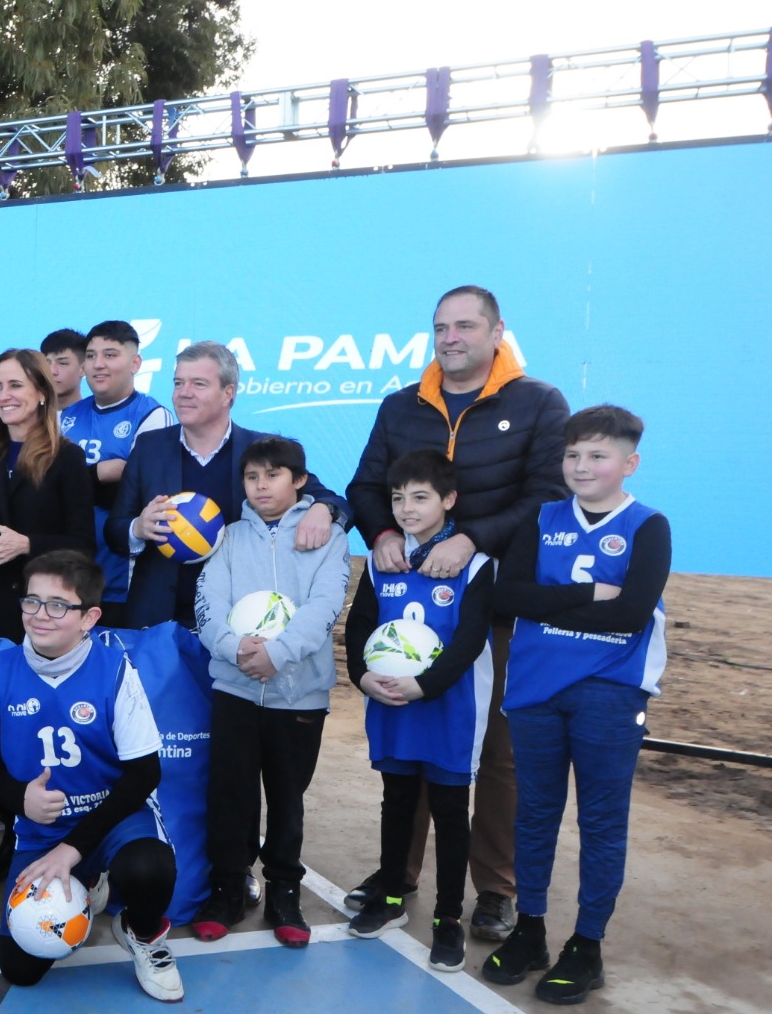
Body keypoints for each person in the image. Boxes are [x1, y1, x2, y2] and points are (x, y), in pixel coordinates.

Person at [345, 285, 569, 942]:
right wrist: (382, 531)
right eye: (441, 326)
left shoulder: (537, 402)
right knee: (410, 731)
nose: (451, 338)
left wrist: (473, 538)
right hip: (411, 604)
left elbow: (547, 494)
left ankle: (494, 889)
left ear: (498, 331)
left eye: (466, 326)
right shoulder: (401, 406)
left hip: (494, 599)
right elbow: (365, 484)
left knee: (492, 752)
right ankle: (399, 874)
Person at [484, 405, 669, 1005]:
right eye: (572, 455)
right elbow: (508, 596)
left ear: (629, 463)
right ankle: (531, 931)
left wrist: (549, 603)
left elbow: (632, 613)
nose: (582, 466)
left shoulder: (648, 525)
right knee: (535, 814)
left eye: (598, 455)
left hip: (610, 695)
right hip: (537, 689)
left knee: (600, 821)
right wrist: (589, 592)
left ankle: (586, 946)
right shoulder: (541, 519)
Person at [0, 550, 183, 1003]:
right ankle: (90, 879)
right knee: (20, 970)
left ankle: (142, 935)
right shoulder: (0, 671)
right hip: (43, 825)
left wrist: (73, 849)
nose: (41, 615)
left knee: (149, 869)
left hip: (116, 814)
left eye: (58, 605)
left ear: (90, 617)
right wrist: (18, 798)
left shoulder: (116, 669)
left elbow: (145, 773)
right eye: (32, 601)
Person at [193, 436, 350, 948]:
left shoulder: (328, 537)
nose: (261, 486)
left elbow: (325, 606)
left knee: (287, 797)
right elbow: (209, 602)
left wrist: (276, 655)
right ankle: (228, 889)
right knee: (230, 794)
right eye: (252, 477)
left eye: (273, 475)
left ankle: (285, 892)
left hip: (299, 696)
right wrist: (236, 649)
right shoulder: (227, 536)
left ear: (299, 480)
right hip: (234, 689)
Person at [342, 450, 495, 973]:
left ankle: (448, 918)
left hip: (447, 705)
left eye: (420, 497)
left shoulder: (473, 564)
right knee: (397, 799)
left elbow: (469, 642)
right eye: (397, 498)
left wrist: (423, 685)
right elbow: (360, 626)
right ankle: (390, 897)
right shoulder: (384, 559)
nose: (406, 509)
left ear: (449, 501)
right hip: (390, 700)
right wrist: (362, 677)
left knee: (451, 812)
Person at [108, 341, 350, 631]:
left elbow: (333, 499)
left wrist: (323, 509)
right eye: (178, 383)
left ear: (228, 393)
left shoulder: (260, 449)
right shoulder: (150, 447)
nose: (183, 393)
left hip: (240, 624)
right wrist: (138, 528)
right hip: (159, 623)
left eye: (198, 384)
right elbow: (115, 530)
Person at [0, 348, 96, 644]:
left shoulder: (67, 458)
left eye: (15, 385)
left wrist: (26, 544)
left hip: (38, 618)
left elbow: (83, 545)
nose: (4, 395)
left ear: (42, 392)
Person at [59, 320, 174, 626]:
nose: (99, 365)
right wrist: (101, 474)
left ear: (135, 363)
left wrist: (76, 481)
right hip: (67, 576)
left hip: (122, 579)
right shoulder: (66, 417)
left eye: (110, 355)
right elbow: (47, 488)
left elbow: (137, 494)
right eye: (92, 355)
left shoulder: (151, 415)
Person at [39, 328, 87, 412]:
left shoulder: (95, 419)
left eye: (63, 363)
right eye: (47, 363)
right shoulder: (27, 418)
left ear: (83, 369)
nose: (52, 371)